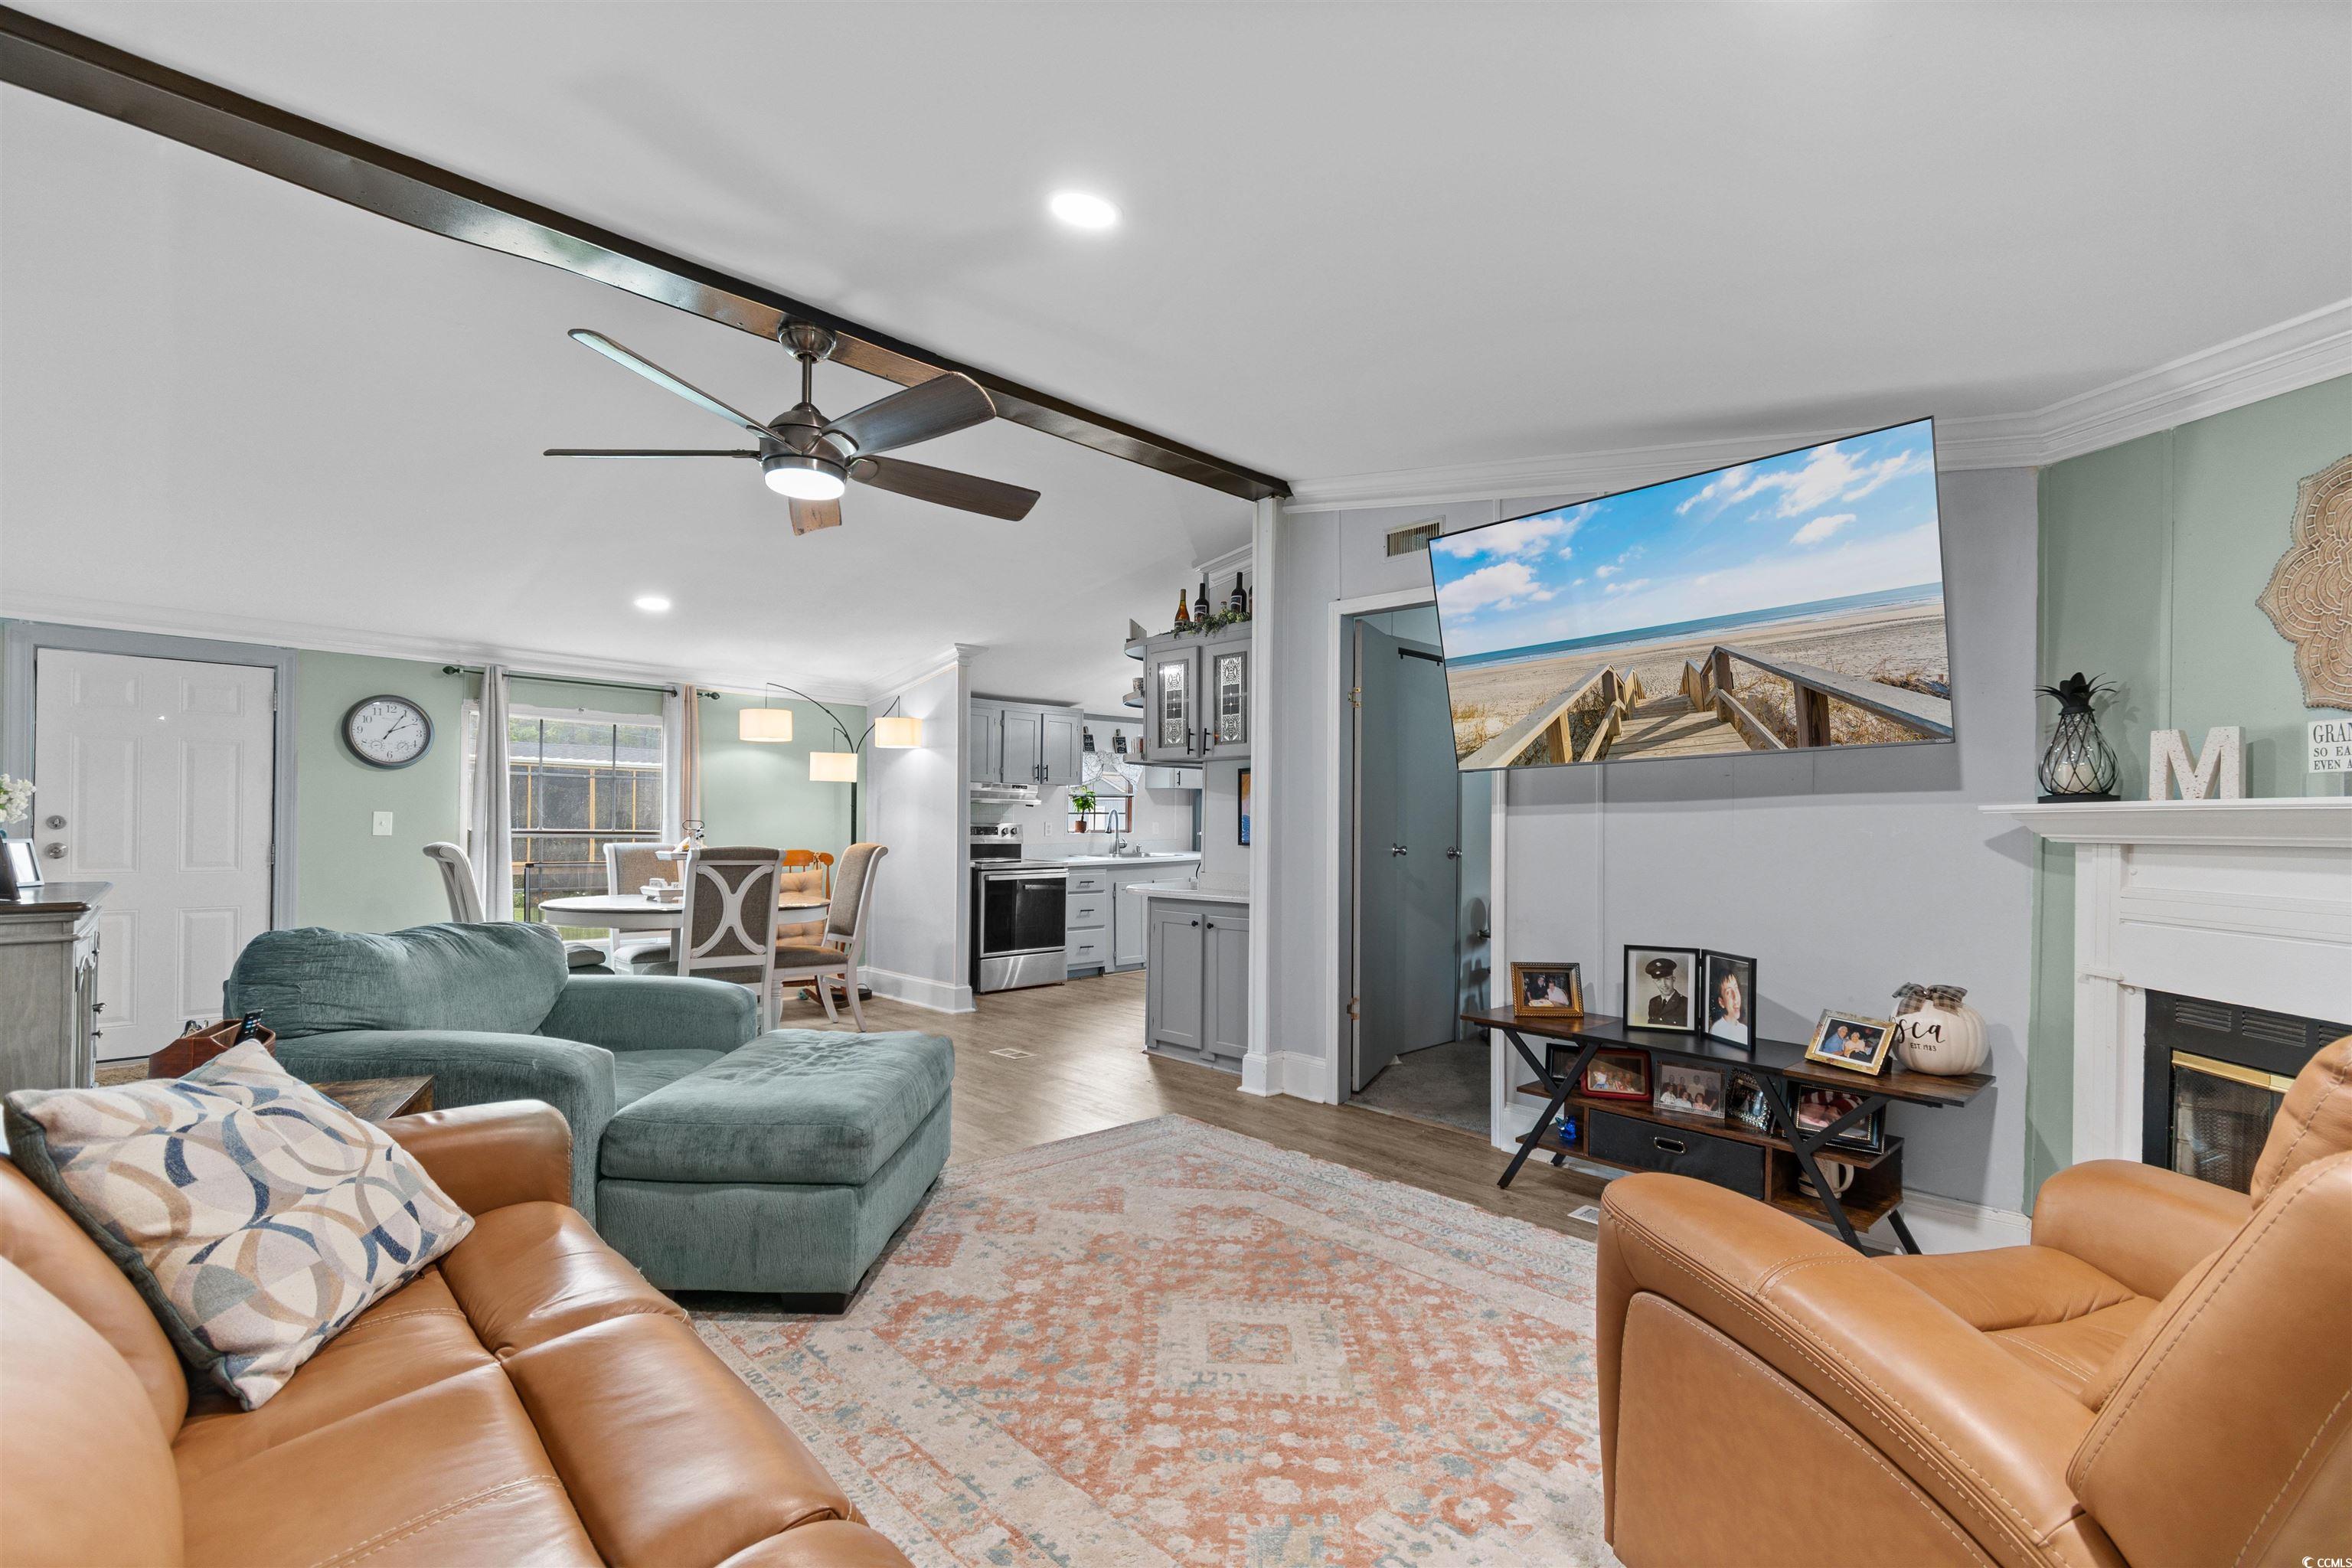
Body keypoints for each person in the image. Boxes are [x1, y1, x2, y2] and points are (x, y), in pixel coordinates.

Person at [1709, 966, 1749, 1044]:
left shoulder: (1745, 1030)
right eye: (1729, 992)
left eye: (1736, 988)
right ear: (1721, 1002)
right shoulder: (1717, 1029)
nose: (1736, 997)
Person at [1643, 956, 1688, 1027]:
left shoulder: (1686, 1003)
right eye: (1658, 980)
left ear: (1673, 979)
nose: (1664, 985)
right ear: (1654, 982)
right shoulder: (1653, 1002)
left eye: (1667, 979)